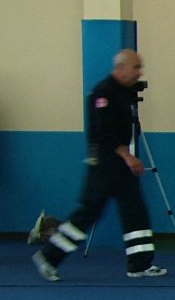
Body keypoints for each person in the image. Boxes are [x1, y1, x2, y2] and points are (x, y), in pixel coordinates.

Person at [33, 49, 167, 281]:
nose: (139, 72)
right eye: (136, 67)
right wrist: (128, 157)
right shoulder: (103, 92)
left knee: (135, 211)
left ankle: (139, 264)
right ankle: (48, 256)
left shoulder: (124, 93)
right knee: (87, 213)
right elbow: (104, 133)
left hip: (121, 166)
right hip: (105, 164)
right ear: (121, 67)